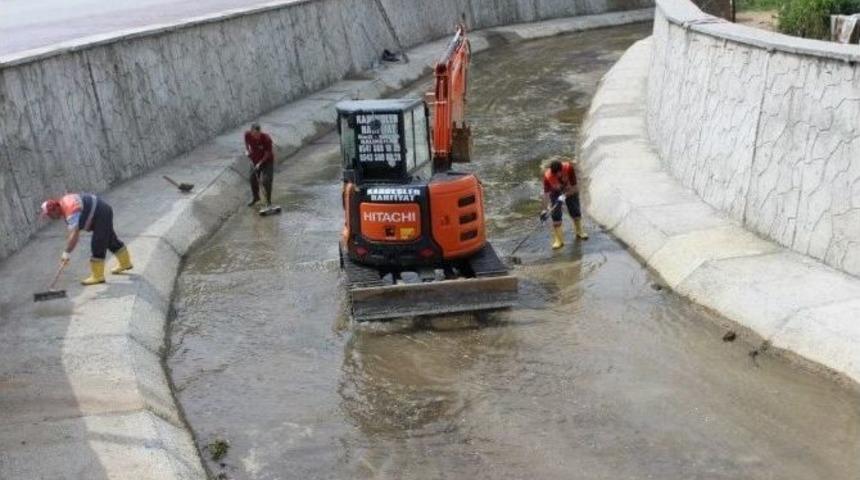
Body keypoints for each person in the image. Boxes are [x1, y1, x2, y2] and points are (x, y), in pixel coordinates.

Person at [41, 193, 132, 285]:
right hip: (102, 210)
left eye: (49, 215)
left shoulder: (70, 209)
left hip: (100, 214)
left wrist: (67, 252)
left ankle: (98, 276)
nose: (50, 218)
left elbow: (74, 233)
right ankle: (125, 263)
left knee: (98, 243)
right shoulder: (64, 203)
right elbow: (74, 229)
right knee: (110, 240)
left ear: (55, 209)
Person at [540, 158, 588, 249]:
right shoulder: (548, 176)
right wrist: (544, 210)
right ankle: (559, 240)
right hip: (555, 192)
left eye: (559, 173)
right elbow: (545, 195)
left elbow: (576, 188)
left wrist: (564, 196)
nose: (557, 175)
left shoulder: (569, 168)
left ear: (562, 169)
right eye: (555, 174)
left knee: (575, 209)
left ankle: (579, 231)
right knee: (555, 213)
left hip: (569, 189)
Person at [244, 123, 275, 208]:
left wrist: (260, 163)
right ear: (251, 132)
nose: (257, 136)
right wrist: (247, 150)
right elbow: (246, 142)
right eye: (254, 134)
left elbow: (268, 153)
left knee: (266, 180)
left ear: (260, 132)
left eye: (258, 134)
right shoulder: (247, 134)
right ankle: (256, 198)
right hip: (254, 160)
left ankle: (268, 201)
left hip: (267, 161)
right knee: (252, 178)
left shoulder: (266, 138)